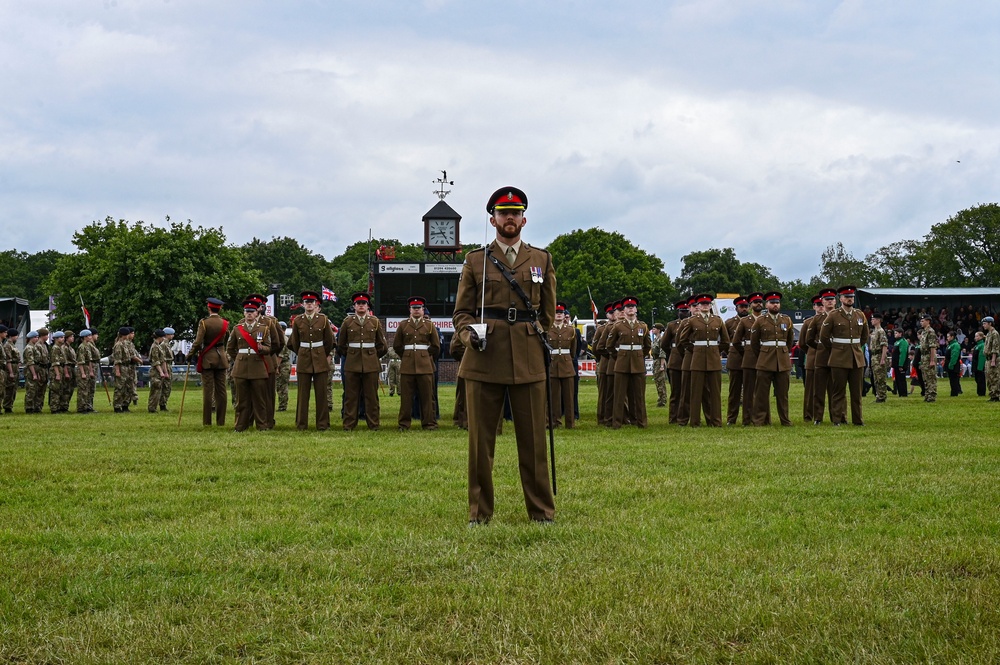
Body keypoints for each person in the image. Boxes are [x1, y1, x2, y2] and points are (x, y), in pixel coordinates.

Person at [453, 186, 556, 525]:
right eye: (502, 212)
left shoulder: (541, 259)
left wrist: (538, 339)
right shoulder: (475, 261)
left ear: (524, 219)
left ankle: (541, 512)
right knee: (480, 444)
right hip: (485, 356)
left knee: (534, 442)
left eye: (515, 212)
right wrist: (468, 335)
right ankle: (479, 514)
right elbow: (462, 313)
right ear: (492, 218)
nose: (509, 218)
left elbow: (548, 314)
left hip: (528, 357)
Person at [819, 285, 870, 425]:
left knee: (856, 392)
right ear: (840, 299)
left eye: (851, 297)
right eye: (847, 297)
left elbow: (865, 336)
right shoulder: (833, 315)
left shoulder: (859, 315)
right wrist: (836, 349)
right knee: (838, 391)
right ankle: (837, 419)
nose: (849, 299)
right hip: (839, 358)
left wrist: (856, 347)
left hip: (856, 358)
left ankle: (858, 420)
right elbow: (824, 337)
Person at [336, 291, 386, 431]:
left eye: (364, 303)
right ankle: (349, 424)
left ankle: (373, 424)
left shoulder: (375, 321)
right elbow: (341, 344)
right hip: (352, 363)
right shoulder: (347, 322)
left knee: (371, 396)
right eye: (358, 304)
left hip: (370, 363)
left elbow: (382, 345)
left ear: (368, 306)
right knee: (351, 396)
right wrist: (350, 354)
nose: (361, 306)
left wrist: (373, 356)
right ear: (354, 306)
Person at [289, 290, 338, 430]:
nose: (309, 305)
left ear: (316, 304)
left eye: (312, 302)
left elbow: (329, 340)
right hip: (304, 358)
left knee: (321, 393)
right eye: (306, 302)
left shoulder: (323, 319)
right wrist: (302, 353)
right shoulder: (298, 320)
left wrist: (323, 354)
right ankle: (301, 424)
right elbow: (294, 342)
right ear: (303, 304)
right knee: (302, 394)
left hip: (319, 358)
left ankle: (322, 424)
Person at [678, 293, 730, 427]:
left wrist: (716, 350)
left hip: (713, 359)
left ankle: (716, 421)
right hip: (697, 359)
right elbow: (683, 340)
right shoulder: (692, 321)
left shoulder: (718, 320)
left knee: (715, 392)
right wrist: (694, 350)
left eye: (707, 304)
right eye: (702, 304)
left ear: (710, 305)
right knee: (695, 392)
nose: (705, 306)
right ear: (698, 306)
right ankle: (695, 421)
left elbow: (725, 340)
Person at [393, 296, 441, 431]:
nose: (416, 310)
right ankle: (404, 424)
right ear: (410, 310)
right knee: (406, 398)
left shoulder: (430, 325)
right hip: (407, 365)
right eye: (414, 308)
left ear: (423, 310)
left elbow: (436, 347)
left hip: (425, 366)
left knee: (427, 397)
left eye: (419, 308)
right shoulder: (403, 325)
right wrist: (407, 356)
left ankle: (429, 423)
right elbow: (397, 345)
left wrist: (424, 356)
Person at [227, 299, 273, 431]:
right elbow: (230, 348)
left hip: (258, 366)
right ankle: (241, 425)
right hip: (241, 367)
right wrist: (239, 359)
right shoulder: (237, 329)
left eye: (252, 312)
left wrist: (261, 349)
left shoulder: (264, 329)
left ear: (256, 313)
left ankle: (261, 425)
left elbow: (269, 347)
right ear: (244, 313)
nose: (249, 314)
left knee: (259, 399)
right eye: (247, 312)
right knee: (242, 400)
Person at [605, 296, 651, 429]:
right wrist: (618, 356)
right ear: (624, 311)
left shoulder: (643, 326)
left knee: (639, 395)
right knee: (619, 395)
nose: (630, 309)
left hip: (638, 363)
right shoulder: (618, 326)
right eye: (627, 307)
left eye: (633, 307)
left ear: (636, 309)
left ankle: (642, 422)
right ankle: (617, 423)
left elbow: (647, 345)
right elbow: (609, 345)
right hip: (622, 363)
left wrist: (640, 356)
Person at [750, 291, 794, 426]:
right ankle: (759, 420)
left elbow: (790, 340)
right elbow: (754, 342)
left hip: (782, 360)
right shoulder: (760, 321)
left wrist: (783, 352)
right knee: (761, 393)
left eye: (777, 303)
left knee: (783, 394)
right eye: (772, 303)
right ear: (766, 304)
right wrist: (763, 354)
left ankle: (785, 419)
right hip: (765, 360)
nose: (775, 305)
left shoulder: (786, 320)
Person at [189, 297, 230, 426]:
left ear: (208, 308)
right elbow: (227, 338)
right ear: (220, 308)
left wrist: (190, 354)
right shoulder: (225, 323)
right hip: (221, 357)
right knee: (221, 391)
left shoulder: (204, 323)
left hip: (208, 357)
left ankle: (207, 421)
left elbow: (198, 341)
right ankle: (221, 421)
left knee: (208, 391)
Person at [732, 293, 764, 426]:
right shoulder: (744, 321)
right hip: (748, 357)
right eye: (755, 302)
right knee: (747, 391)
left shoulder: (767, 319)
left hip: (765, 357)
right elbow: (736, 342)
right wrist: (746, 353)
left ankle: (762, 418)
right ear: (751, 305)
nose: (758, 304)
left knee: (762, 390)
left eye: (760, 302)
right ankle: (746, 418)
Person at [547, 301, 578, 428]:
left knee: (569, 396)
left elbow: (573, 350)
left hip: (566, 364)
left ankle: (570, 423)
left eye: (561, 313)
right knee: (554, 396)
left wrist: (568, 360)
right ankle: (555, 421)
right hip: (553, 364)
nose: (559, 315)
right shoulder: (548, 329)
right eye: (556, 312)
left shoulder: (571, 330)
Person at [809, 288, 837, 424]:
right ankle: (818, 417)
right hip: (822, 357)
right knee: (819, 390)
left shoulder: (841, 316)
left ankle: (838, 416)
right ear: (822, 302)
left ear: (836, 301)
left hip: (838, 356)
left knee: (837, 390)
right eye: (827, 300)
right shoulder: (817, 319)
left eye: (832, 299)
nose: (829, 302)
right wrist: (820, 348)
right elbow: (808, 340)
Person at [660, 299, 689, 425]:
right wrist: (673, 353)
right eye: (682, 311)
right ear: (678, 312)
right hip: (676, 361)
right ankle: (673, 417)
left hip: (690, 359)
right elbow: (664, 344)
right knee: (676, 392)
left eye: (686, 311)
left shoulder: (692, 322)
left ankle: (687, 416)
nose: (684, 313)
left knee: (688, 391)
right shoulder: (672, 325)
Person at [724, 295, 749, 425]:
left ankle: (748, 418)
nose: (744, 309)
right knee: (734, 391)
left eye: (746, 306)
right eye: (741, 307)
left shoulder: (754, 321)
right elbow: (724, 341)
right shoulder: (729, 323)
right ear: (736, 308)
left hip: (750, 358)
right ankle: (731, 418)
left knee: (750, 391)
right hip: (735, 359)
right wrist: (730, 352)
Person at [799, 294, 824, 421]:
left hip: (830, 358)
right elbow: (802, 343)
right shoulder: (808, 322)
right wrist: (812, 351)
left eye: (822, 304)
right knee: (810, 390)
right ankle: (808, 415)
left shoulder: (832, 320)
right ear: (814, 307)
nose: (821, 307)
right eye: (818, 305)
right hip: (813, 357)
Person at [76, 329, 99, 413]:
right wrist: (82, 373)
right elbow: (80, 362)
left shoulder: (88, 346)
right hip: (83, 369)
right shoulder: (82, 347)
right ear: (84, 337)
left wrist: (91, 371)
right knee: (83, 389)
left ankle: (87, 406)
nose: (90, 337)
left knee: (88, 389)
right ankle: (81, 408)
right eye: (89, 335)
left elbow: (89, 360)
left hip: (88, 369)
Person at [147, 329, 171, 413]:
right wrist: (161, 372)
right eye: (163, 337)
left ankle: (154, 407)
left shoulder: (159, 346)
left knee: (159, 389)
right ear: (160, 337)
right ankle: (152, 408)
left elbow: (163, 360)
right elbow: (156, 361)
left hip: (160, 370)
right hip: (155, 371)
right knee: (155, 390)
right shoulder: (154, 347)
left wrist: (165, 372)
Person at [868, 312, 889, 402]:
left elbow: (884, 346)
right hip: (874, 355)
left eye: (873, 319)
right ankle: (878, 395)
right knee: (876, 377)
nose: (872, 320)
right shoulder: (874, 331)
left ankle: (882, 396)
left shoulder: (881, 331)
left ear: (878, 320)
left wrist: (883, 359)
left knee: (880, 377)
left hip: (879, 355)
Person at [917, 314, 938, 402]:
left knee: (930, 376)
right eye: (921, 321)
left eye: (923, 321)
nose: (921, 322)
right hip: (924, 356)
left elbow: (932, 346)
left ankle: (932, 395)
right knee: (925, 376)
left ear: (928, 321)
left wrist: (932, 360)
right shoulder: (924, 331)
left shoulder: (930, 331)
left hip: (929, 355)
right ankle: (927, 394)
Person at [48, 330, 68, 413]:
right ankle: (54, 408)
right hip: (57, 369)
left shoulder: (61, 347)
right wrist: (57, 374)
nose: (63, 339)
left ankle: (59, 406)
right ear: (56, 339)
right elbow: (55, 362)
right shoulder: (55, 348)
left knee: (60, 389)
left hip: (61, 368)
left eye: (63, 337)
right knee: (55, 390)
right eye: (61, 337)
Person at [650, 322, 668, 408]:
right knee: (657, 380)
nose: (653, 330)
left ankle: (663, 399)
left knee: (661, 381)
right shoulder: (656, 339)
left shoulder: (661, 339)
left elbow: (662, 352)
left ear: (659, 330)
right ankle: (660, 397)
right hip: (655, 360)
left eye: (654, 328)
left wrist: (661, 365)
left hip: (659, 361)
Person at [983, 316, 1000, 401]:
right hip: (988, 359)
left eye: (985, 323)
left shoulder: (994, 333)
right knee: (989, 378)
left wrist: (993, 360)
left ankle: (996, 395)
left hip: (993, 359)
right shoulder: (989, 333)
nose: (983, 325)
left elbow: (995, 347)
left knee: (994, 377)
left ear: (990, 323)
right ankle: (992, 394)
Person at [276, 321, 292, 411]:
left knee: (282, 386)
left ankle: (282, 406)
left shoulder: (282, 339)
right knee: (281, 386)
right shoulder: (284, 338)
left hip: (282, 364)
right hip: (284, 363)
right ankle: (282, 405)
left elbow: (280, 355)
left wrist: (277, 367)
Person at [2, 327, 18, 413]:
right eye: (16, 335)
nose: (17, 337)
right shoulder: (7, 345)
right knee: (9, 388)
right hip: (11, 368)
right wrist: (11, 372)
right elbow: (8, 360)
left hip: (15, 367)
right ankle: (7, 406)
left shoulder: (12, 344)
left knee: (13, 388)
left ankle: (9, 405)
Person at [891, 328, 910, 398]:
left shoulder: (903, 341)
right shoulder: (896, 342)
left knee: (901, 379)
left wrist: (901, 365)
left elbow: (903, 354)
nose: (894, 334)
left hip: (900, 364)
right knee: (897, 379)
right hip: (896, 364)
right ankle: (900, 393)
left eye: (896, 333)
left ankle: (903, 393)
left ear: (900, 333)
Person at [945, 330, 963, 397]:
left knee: (954, 380)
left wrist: (951, 365)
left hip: (953, 365)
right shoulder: (950, 345)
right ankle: (953, 392)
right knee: (952, 380)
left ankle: (954, 393)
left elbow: (954, 356)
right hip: (951, 364)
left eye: (948, 336)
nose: (947, 338)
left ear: (952, 337)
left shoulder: (955, 345)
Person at [972, 330, 987, 397]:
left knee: (981, 379)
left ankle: (981, 392)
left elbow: (982, 356)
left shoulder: (982, 345)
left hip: (979, 365)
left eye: (977, 336)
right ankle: (979, 391)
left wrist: (980, 367)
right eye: (975, 336)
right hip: (975, 364)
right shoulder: (977, 345)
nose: (975, 337)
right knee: (977, 379)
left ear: (981, 337)